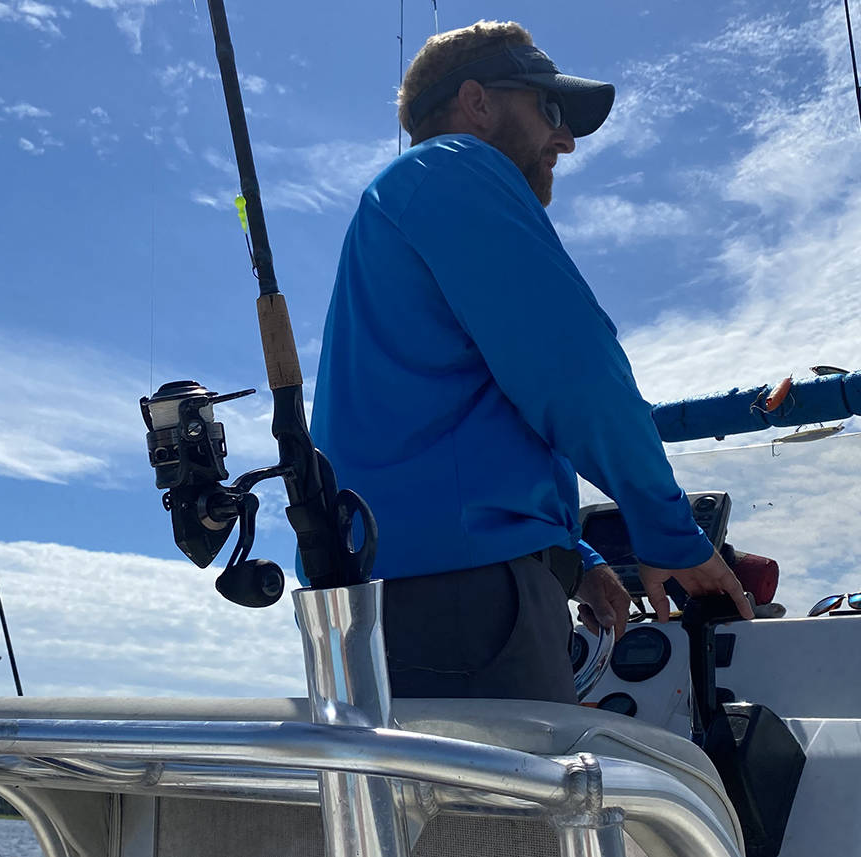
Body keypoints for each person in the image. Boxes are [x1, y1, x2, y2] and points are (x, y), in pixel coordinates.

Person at [308, 21, 753, 704]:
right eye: (547, 108)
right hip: (465, 608)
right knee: (501, 817)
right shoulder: (453, 167)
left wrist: (580, 564)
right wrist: (671, 535)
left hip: (398, 609)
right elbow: (575, 370)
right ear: (477, 103)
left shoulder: (402, 203)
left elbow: (459, 429)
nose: (564, 139)